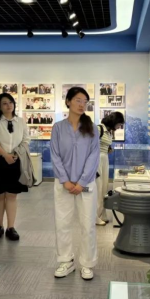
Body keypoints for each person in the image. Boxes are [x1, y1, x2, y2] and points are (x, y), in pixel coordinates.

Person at [51, 87, 100, 281]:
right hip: (63, 185)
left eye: (85, 102)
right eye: (78, 100)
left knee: (88, 225)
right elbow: (55, 155)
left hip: (86, 185)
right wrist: (65, 180)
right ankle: (66, 261)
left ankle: (87, 263)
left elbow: (94, 157)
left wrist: (81, 182)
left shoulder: (92, 128)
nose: (82, 105)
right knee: (62, 223)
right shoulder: (58, 128)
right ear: (68, 101)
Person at [0, 93, 32, 242]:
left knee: (12, 195)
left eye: (10, 102)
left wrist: (15, 153)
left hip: (16, 160)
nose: (9, 106)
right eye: (4, 103)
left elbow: (26, 139)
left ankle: (11, 227)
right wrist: (5, 155)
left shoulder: (20, 121)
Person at [96, 112, 125, 226]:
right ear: (114, 121)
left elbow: (105, 145)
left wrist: (108, 149)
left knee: (104, 188)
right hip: (97, 160)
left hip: (104, 159)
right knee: (98, 188)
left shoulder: (108, 132)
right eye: (119, 124)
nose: (119, 127)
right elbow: (89, 147)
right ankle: (95, 216)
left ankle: (101, 214)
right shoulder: (99, 129)